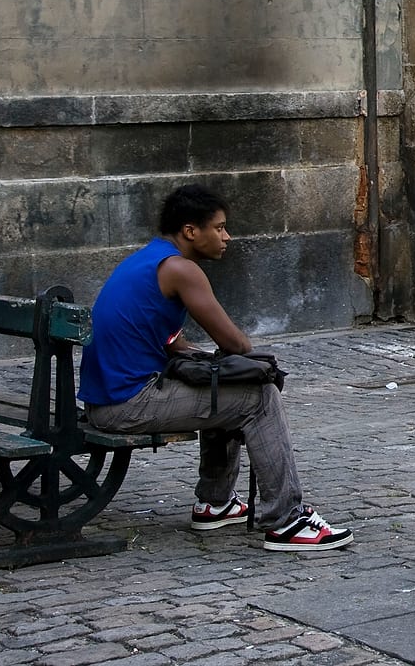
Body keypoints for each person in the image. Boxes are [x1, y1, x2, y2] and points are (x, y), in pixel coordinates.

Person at [78, 185, 353, 553]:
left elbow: (168, 340)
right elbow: (238, 344)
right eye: (219, 228)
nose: (227, 237)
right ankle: (287, 520)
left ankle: (216, 502)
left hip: (105, 400)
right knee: (257, 396)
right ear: (191, 232)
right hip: (125, 405)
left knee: (220, 382)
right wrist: (231, 357)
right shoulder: (180, 269)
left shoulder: (147, 259)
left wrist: (204, 358)